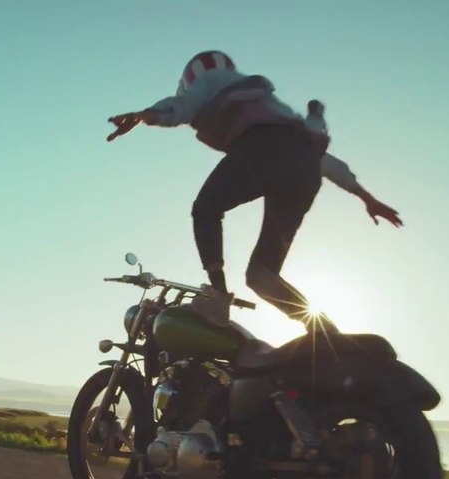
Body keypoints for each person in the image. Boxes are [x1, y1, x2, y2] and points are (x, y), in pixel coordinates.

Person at [106, 50, 403, 336]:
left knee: (206, 209)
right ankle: (323, 330)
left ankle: (218, 298)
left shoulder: (207, 82)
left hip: (262, 150)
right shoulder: (271, 103)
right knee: (262, 276)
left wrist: (143, 115)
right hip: (304, 171)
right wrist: (367, 198)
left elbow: (181, 107)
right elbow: (327, 163)